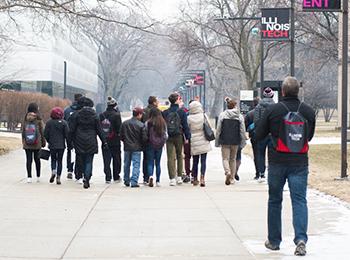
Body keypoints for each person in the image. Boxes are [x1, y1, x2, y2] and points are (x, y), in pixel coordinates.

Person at [256, 77, 315, 256]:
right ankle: (301, 239)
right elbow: (309, 137)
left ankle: (274, 241)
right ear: (298, 91)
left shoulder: (273, 110)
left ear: (282, 91)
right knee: (299, 201)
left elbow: (259, 134)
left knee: (275, 201)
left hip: (277, 162)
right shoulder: (308, 111)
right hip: (299, 162)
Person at [69, 97, 107, 189]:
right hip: (91, 141)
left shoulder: (76, 115)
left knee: (81, 159)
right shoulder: (95, 116)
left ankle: (81, 174)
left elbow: (72, 130)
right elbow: (99, 130)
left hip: (79, 140)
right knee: (89, 161)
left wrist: (70, 141)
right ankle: (87, 177)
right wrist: (104, 141)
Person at [162, 93, 191, 186]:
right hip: (179, 135)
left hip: (169, 136)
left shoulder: (165, 112)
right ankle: (179, 177)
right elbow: (185, 125)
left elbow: (163, 126)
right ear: (176, 100)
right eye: (179, 99)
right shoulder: (182, 112)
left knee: (170, 157)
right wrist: (187, 137)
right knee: (179, 155)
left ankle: (171, 178)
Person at [215, 99, 246, 185]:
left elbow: (218, 129)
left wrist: (217, 140)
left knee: (225, 158)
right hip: (235, 140)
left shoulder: (222, 115)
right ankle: (232, 178)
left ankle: (227, 172)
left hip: (225, 140)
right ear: (235, 106)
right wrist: (243, 140)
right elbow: (242, 130)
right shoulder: (239, 116)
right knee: (233, 159)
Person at [120, 107, 147, 188]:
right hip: (137, 148)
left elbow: (121, 135)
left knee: (126, 164)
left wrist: (125, 141)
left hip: (127, 147)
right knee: (136, 164)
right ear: (139, 114)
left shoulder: (125, 123)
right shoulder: (141, 125)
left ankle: (126, 180)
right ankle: (134, 181)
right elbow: (144, 138)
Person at [187, 101, 212, 187]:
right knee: (203, 160)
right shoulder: (203, 116)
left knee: (195, 161)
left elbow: (187, 129)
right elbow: (209, 125)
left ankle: (195, 178)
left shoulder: (189, 118)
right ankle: (202, 177)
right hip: (204, 139)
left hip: (194, 140)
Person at [99, 96, 122, 184]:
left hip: (105, 140)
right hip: (115, 140)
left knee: (106, 159)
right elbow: (119, 129)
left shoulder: (102, 115)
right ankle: (116, 176)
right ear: (115, 105)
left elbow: (100, 128)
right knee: (116, 159)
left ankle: (108, 177)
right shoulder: (116, 115)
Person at [254, 87, 275, 182]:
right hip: (272, 133)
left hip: (262, 133)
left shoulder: (259, 106)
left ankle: (262, 174)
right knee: (272, 154)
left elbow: (256, 120)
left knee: (260, 154)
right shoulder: (275, 106)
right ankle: (271, 172)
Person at [44, 107, 69, 185]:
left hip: (52, 145)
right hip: (61, 145)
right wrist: (68, 143)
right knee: (60, 160)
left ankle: (53, 171)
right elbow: (67, 134)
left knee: (53, 159)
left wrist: (49, 141)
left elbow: (45, 134)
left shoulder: (49, 123)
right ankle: (58, 176)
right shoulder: (64, 123)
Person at [22, 103, 46, 183]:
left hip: (27, 143)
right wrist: (43, 142)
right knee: (37, 159)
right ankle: (38, 176)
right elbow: (42, 132)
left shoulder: (25, 118)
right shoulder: (38, 118)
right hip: (37, 143)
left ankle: (29, 177)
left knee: (28, 160)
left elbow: (23, 132)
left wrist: (24, 141)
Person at [145, 108, 167, 187]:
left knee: (150, 162)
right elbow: (166, 135)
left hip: (150, 144)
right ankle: (158, 181)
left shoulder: (148, 122)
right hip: (159, 145)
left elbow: (145, 133)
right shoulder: (162, 122)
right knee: (158, 163)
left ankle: (150, 176)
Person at [64, 93, 83, 179]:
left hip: (69, 134)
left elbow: (64, 122)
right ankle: (78, 171)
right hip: (79, 135)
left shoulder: (67, 110)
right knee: (79, 153)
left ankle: (70, 169)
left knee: (69, 151)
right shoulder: (82, 111)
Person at [141, 96, 159, 184]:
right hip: (156, 138)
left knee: (146, 158)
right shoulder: (157, 112)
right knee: (156, 160)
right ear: (154, 102)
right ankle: (156, 178)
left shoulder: (143, 111)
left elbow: (141, 125)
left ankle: (146, 177)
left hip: (146, 138)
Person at [245, 97, 260, 180]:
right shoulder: (264, 112)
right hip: (264, 136)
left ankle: (258, 172)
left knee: (256, 154)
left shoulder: (250, 114)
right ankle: (262, 171)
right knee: (262, 154)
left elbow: (245, 125)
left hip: (254, 136)